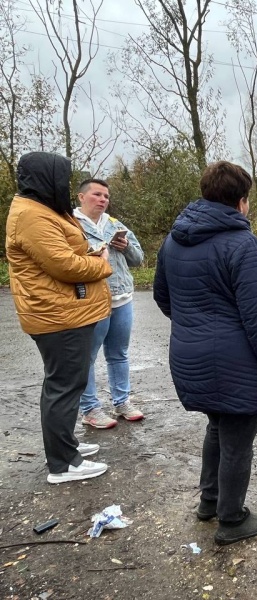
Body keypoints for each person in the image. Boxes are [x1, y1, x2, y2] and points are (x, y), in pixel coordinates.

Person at [153, 161, 257, 546]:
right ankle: (232, 519)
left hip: (189, 356)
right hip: (234, 363)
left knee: (217, 427)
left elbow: (164, 299)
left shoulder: (173, 239)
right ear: (242, 201)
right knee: (236, 441)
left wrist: (198, 325)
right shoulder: (241, 243)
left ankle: (209, 502)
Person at [5, 152, 112, 484]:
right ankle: (63, 464)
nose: (63, 185)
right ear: (44, 178)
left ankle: (66, 447)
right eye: (60, 178)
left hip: (64, 312)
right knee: (63, 386)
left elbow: (64, 254)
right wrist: (102, 262)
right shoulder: (31, 216)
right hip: (58, 316)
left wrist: (89, 255)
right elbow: (64, 266)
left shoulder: (39, 209)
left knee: (67, 383)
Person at [74, 179, 145, 429]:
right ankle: (90, 408)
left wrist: (125, 247)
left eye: (106, 196)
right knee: (87, 357)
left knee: (119, 354)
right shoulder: (71, 225)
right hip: (91, 300)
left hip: (122, 297)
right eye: (97, 194)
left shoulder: (115, 224)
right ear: (81, 197)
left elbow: (139, 258)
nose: (103, 199)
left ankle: (122, 401)